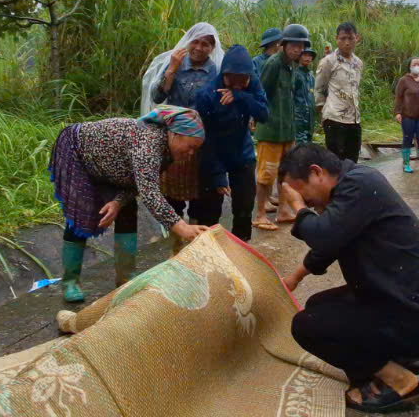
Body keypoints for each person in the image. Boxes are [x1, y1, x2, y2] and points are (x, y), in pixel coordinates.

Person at [277, 144, 419, 414]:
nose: (305, 203)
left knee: (307, 326)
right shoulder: (353, 186)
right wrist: (294, 279)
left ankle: (402, 382)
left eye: (303, 194)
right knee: (317, 307)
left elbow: (323, 235)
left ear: (316, 173)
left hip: (416, 319)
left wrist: (299, 209)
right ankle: (394, 358)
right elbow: (330, 246)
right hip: (402, 305)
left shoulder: (360, 184)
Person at [47, 107, 211, 303]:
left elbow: (137, 182)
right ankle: (70, 281)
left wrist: (118, 201)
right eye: (190, 146)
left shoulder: (167, 151)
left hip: (110, 168)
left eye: (196, 149)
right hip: (77, 151)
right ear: (174, 134)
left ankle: (126, 279)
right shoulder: (149, 143)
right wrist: (182, 227)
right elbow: (150, 194)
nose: (191, 154)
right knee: (82, 212)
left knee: (127, 209)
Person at [145, 23, 222, 247]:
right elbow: (158, 97)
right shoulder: (176, 64)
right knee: (173, 194)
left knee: (202, 194)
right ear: (188, 42)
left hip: (201, 143)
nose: (199, 48)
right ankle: (177, 241)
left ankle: (198, 242)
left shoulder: (216, 71)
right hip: (175, 140)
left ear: (212, 47)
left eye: (205, 44)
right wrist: (171, 70)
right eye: (195, 42)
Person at [193, 45, 268, 243]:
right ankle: (207, 253)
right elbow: (204, 138)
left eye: (243, 81)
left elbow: (264, 113)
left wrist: (241, 96)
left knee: (244, 207)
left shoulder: (251, 84)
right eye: (232, 81)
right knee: (209, 212)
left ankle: (241, 250)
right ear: (224, 75)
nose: (238, 85)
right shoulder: (206, 95)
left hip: (241, 152)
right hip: (212, 153)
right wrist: (217, 175)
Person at [253, 24, 312, 231]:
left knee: (285, 172)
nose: (297, 49)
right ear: (284, 44)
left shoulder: (292, 66)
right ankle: (260, 214)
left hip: (287, 129)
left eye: (301, 46)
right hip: (270, 130)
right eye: (293, 45)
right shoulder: (273, 63)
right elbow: (261, 93)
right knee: (266, 174)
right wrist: (257, 117)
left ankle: (283, 211)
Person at [316, 22, 364, 162]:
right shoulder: (328, 62)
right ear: (337, 39)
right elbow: (319, 89)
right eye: (343, 39)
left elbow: (355, 89)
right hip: (334, 119)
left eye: (350, 38)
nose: (347, 43)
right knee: (335, 163)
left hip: (354, 120)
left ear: (357, 38)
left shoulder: (358, 63)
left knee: (352, 162)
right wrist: (323, 115)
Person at [395, 57, 419, 174]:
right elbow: (398, 97)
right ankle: (406, 164)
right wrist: (398, 112)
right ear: (410, 66)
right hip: (407, 115)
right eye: (414, 64)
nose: (416, 66)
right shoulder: (404, 80)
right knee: (407, 138)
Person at [294, 48, 317, 145]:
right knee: (300, 149)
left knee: (308, 148)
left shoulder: (311, 77)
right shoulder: (295, 74)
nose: (308, 58)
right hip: (298, 119)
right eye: (305, 55)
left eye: (310, 55)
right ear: (299, 56)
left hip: (309, 119)